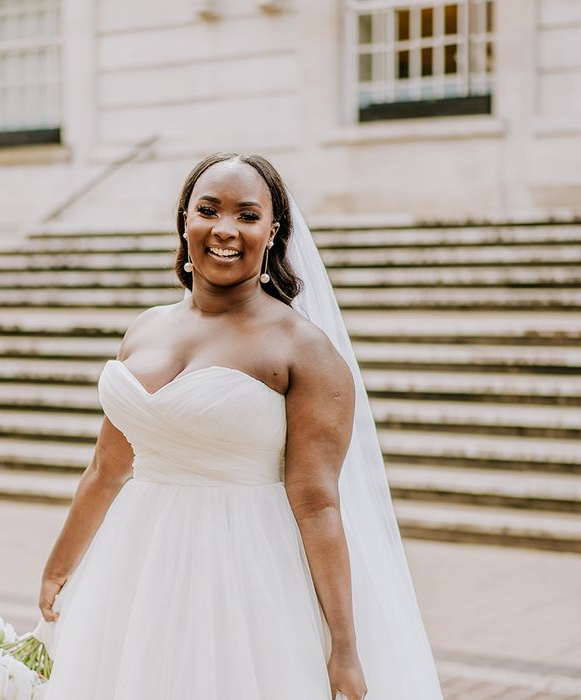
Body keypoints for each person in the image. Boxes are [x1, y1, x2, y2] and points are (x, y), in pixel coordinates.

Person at [39, 153, 443, 700]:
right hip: (136, 571)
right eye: (208, 210)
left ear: (273, 232)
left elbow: (318, 503)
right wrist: (59, 567)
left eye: (247, 215)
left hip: (244, 574)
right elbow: (107, 469)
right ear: (184, 219)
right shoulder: (144, 330)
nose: (225, 229)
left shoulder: (303, 349)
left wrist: (345, 646)